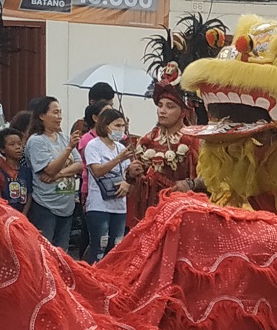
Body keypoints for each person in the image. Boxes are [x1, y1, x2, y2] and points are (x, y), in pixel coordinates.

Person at [126, 73, 202, 223]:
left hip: (180, 213)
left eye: (170, 106)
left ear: (184, 112)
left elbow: (211, 179)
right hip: (147, 214)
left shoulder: (195, 141)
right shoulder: (147, 140)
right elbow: (134, 181)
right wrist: (131, 173)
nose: (162, 111)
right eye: (160, 105)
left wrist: (192, 184)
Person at [24, 96, 80, 252]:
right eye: (55, 112)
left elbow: (80, 164)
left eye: (60, 113)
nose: (59, 117)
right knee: (45, 251)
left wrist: (59, 174)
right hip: (45, 205)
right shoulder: (37, 141)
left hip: (67, 205)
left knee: (62, 252)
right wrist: (68, 148)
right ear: (42, 116)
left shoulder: (63, 138)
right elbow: (49, 170)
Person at [81, 107, 132, 261]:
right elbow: (96, 171)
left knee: (116, 245)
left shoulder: (121, 148)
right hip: (99, 204)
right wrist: (118, 159)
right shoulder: (93, 145)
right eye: (117, 125)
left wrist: (127, 183)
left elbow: (128, 173)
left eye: (122, 126)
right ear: (105, 125)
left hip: (119, 205)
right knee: (99, 244)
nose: (120, 129)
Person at [0, 127, 29, 214]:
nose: (18, 147)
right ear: (2, 149)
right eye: (12, 144)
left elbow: (29, 195)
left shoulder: (26, 171)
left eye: (19, 144)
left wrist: (24, 215)